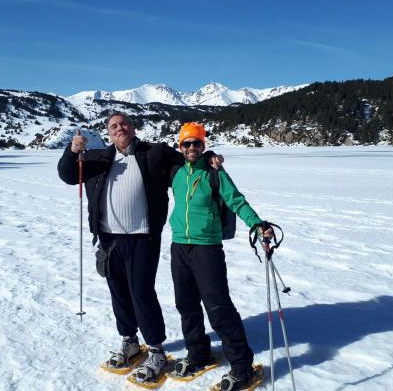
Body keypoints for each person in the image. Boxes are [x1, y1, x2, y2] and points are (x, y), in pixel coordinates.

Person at [57, 113, 223, 383]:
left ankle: (156, 348)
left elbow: (188, 161)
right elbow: (67, 175)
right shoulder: (97, 158)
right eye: (114, 126)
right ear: (108, 133)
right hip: (109, 239)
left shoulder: (155, 153)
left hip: (142, 238)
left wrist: (209, 156)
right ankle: (130, 340)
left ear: (133, 128)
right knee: (118, 292)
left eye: (124, 124)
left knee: (141, 292)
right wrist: (71, 151)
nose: (119, 128)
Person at [168, 122, 275, 391]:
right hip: (179, 246)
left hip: (207, 248)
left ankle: (242, 368)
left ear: (204, 146)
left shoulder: (215, 173)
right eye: (187, 143)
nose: (192, 148)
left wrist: (258, 224)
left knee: (218, 309)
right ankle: (199, 353)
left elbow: (236, 200)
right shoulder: (176, 172)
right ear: (180, 147)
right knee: (186, 305)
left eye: (197, 143)